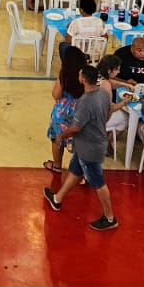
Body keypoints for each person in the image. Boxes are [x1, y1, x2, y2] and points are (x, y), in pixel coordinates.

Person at [42, 65, 118, 231]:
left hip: (89, 148)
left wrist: (61, 136)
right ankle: (57, 199)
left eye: (79, 74)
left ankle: (110, 217)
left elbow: (76, 127)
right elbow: (108, 112)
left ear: (83, 79)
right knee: (75, 171)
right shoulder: (103, 93)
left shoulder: (85, 101)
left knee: (98, 182)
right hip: (91, 143)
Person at [45, 45, 85, 173]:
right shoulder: (86, 74)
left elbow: (56, 95)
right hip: (80, 111)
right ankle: (80, 171)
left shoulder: (64, 75)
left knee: (57, 139)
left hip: (62, 113)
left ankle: (57, 165)